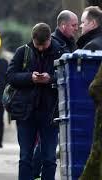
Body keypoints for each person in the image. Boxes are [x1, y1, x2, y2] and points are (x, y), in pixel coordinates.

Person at [7, 23, 64, 180]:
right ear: (32, 39)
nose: (40, 49)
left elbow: (66, 78)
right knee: (25, 157)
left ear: (49, 40)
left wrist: (50, 79)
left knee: (49, 158)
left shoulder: (60, 52)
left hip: (50, 112)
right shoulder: (22, 51)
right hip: (26, 113)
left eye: (43, 45)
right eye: (37, 45)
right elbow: (10, 76)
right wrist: (30, 77)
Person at [31, 9, 79, 179]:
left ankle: (34, 172)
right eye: (73, 25)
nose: (76, 28)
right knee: (48, 145)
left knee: (48, 144)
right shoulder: (53, 44)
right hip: (51, 102)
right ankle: (34, 173)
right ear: (63, 25)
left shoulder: (69, 42)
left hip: (61, 100)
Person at [76, 6, 102, 180]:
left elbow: (93, 87)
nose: (81, 27)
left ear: (92, 23)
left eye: (83, 23)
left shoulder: (91, 46)